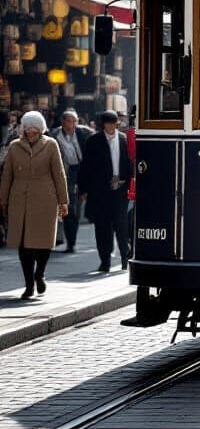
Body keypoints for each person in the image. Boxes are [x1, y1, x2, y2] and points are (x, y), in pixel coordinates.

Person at [0, 111, 68, 299]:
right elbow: (7, 176)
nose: (31, 132)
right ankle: (29, 284)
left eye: (35, 129)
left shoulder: (51, 145)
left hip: (45, 199)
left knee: (44, 243)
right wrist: (3, 201)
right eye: (28, 128)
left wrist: (64, 201)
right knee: (24, 245)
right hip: (20, 200)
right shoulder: (14, 147)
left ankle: (40, 274)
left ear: (41, 129)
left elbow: (59, 174)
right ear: (23, 129)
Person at [78, 110, 132, 273]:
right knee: (102, 228)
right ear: (103, 124)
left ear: (117, 124)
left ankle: (125, 257)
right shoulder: (94, 141)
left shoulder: (124, 140)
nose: (110, 126)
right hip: (100, 192)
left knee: (121, 226)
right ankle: (105, 260)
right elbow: (86, 166)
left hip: (120, 191)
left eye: (113, 123)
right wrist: (84, 188)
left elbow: (130, 164)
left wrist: (124, 179)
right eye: (107, 123)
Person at [48, 109, 92, 253]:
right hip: (66, 172)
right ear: (63, 122)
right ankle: (69, 241)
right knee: (69, 207)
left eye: (75, 121)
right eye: (69, 121)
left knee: (77, 207)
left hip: (82, 170)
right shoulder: (54, 135)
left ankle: (71, 239)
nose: (72, 124)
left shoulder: (84, 133)